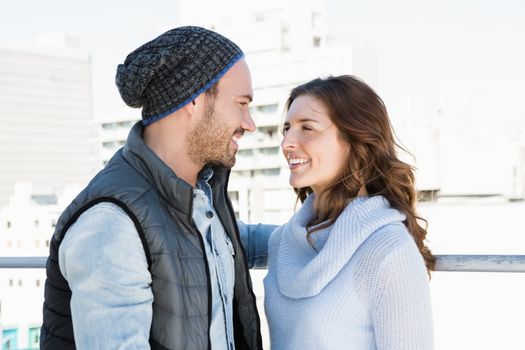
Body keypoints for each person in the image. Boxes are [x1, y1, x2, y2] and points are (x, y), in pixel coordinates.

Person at [40, 26, 274, 350]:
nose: (250, 123)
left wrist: (326, 229)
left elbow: (229, 242)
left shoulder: (194, 193)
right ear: (193, 98)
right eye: (241, 104)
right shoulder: (112, 224)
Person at [264, 75, 436, 349]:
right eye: (287, 128)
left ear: (355, 139)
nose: (287, 143)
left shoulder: (388, 250)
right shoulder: (282, 242)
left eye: (307, 127)